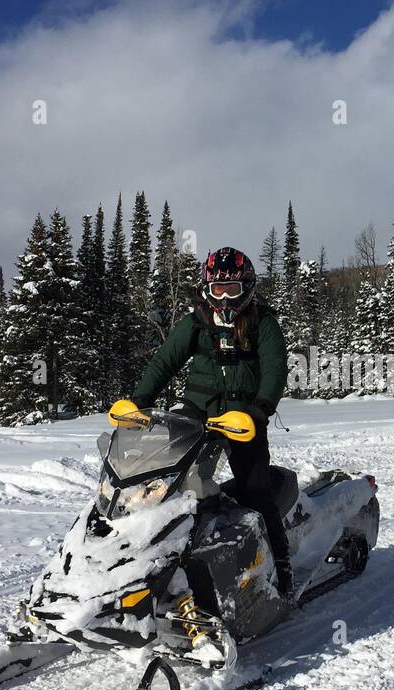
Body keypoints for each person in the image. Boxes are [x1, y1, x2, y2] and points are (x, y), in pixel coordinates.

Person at [115, 247, 292, 597]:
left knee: (254, 489)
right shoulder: (196, 321)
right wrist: (138, 403)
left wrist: (259, 410)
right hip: (197, 413)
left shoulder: (263, 322)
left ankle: (281, 563)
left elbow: (275, 369)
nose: (224, 298)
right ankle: (149, 553)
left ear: (248, 288)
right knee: (167, 480)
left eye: (232, 290)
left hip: (243, 418)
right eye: (217, 290)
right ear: (206, 291)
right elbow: (164, 362)